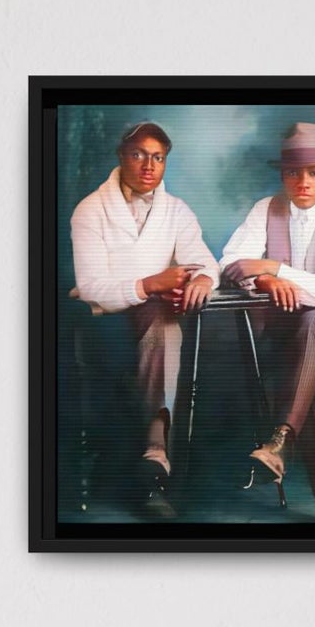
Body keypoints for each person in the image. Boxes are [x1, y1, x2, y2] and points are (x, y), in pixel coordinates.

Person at [217, 121, 315, 524]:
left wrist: (275, 267)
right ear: (282, 174)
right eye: (293, 172)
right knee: (310, 344)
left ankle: (281, 438)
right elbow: (228, 263)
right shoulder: (264, 210)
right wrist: (266, 280)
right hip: (297, 330)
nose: (303, 181)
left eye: (314, 172)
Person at [68, 120, 219, 517]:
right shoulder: (90, 210)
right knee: (161, 316)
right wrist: (153, 282)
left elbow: (203, 258)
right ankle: (154, 454)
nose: (149, 165)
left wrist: (202, 276)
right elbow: (91, 286)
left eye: (158, 157)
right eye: (139, 155)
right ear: (122, 156)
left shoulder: (176, 210)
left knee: (167, 321)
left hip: (153, 318)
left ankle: (156, 453)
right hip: (104, 323)